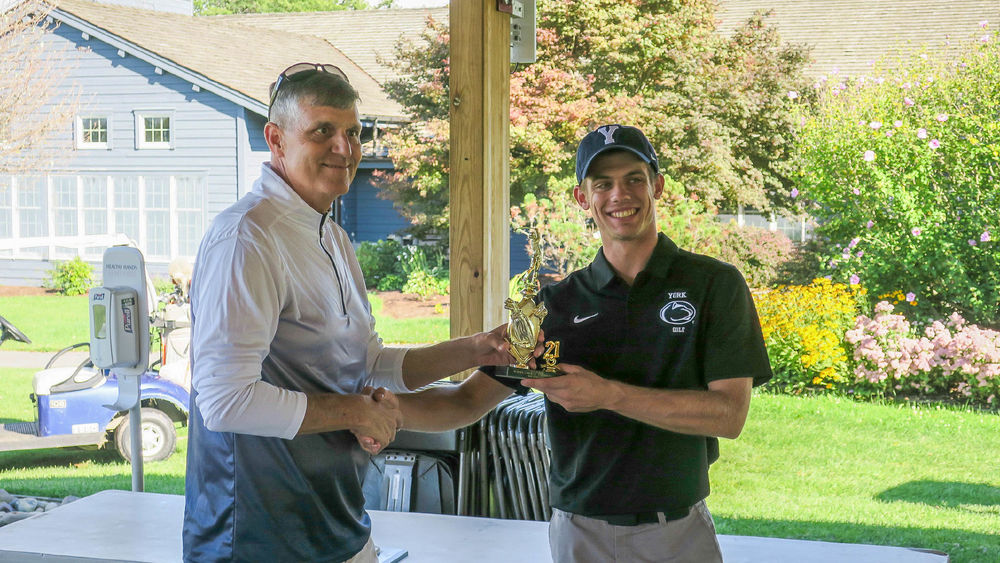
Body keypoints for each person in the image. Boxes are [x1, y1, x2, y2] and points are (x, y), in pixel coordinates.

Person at [182, 62, 524, 563]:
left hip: (338, 528)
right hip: (256, 539)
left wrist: (479, 349)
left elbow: (367, 363)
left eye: (353, 132)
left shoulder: (331, 236)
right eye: (322, 131)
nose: (344, 149)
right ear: (276, 139)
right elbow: (225, 401)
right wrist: (355, 411)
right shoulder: (247, 238)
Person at [396, 124, 773, 562]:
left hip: (677, 532)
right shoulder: (550, 306)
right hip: (580, 534)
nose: (620, 195)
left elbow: (729, 415)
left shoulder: (714, 285)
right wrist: (379, 409)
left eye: (634, 178)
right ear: (583, 198)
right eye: (603, 184)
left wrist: (608, 395)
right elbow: (465, 403)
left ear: (658, 186)